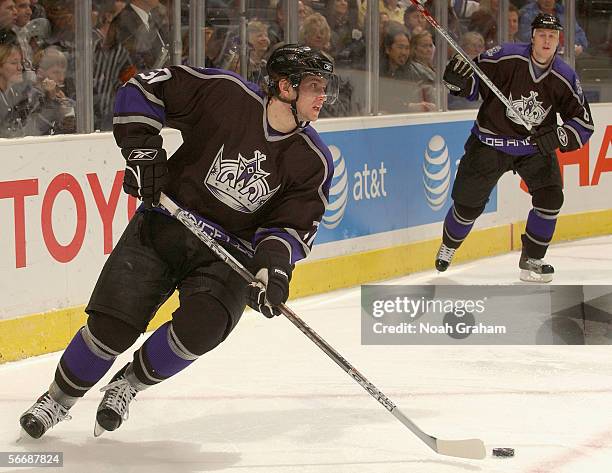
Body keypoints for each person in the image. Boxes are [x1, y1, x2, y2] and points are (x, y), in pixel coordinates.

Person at [19, 43, 338, 439]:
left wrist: (272, 268)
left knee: (205, 326)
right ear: (285, 87)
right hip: (166, 223)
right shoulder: (225, 94)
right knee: (111, 327)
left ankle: (129, 383)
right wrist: (142, 151)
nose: (323, 96)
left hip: (227, 254)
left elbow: (290, 226)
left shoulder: (313, 159)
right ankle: (58, 399)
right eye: (314, 86)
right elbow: (144, 89)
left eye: (324, 86)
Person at [434, 13, 594, 283]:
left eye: (552, 36)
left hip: (532, 148)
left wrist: (557, 137)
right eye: (542, 34)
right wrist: (459, 84)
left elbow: (583, 122)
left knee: (551, 198)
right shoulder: (505, 57)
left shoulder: (564, 76)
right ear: (532, 37)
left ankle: (533, 258)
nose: (546, 40)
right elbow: (475, 83)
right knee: (467, 207)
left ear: (559, 41)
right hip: (489, 142)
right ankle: (449, 244)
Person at [518, 0, 588, 55]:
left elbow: (580, 36)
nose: (548, 1)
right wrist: (558, 47)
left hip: (568, 56)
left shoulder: (563, 11)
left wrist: (577, 46)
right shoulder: (527, 13)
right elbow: (525, 38)